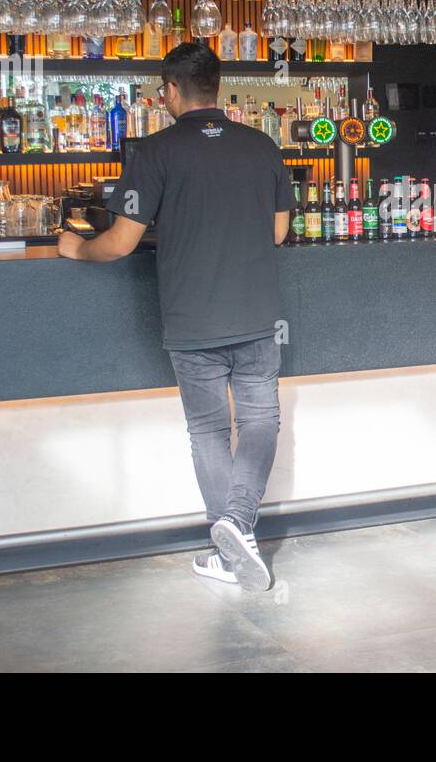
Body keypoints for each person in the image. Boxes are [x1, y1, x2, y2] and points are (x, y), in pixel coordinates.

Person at [58, 42, 292, 592]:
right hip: (258, 315)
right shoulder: (261, 145)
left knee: (209, 428)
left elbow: (118, 244)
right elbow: (277, 232)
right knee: (260, 421)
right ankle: (239, 530)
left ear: (168, 92)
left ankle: (234, 537)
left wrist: (74, 249)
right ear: (218, 86)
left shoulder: (155, 151)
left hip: (193, 320)